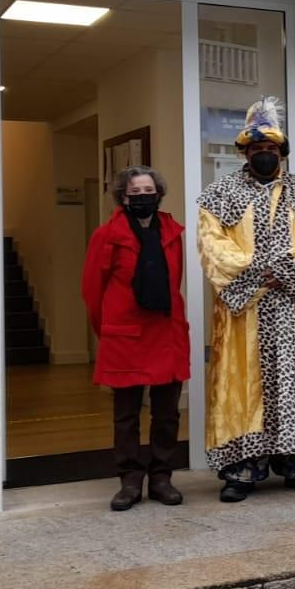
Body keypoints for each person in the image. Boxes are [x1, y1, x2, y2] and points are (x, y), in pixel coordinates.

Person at [196, 96, 295, 503]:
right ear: (244, 152)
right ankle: (242, 469)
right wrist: (260, 272)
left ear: (282, 153)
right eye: (256, 149)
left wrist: (287, 272)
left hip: (294, 310)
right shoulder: (218, 195)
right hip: (246, 311)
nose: (263, 155)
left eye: (270, 150)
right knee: (244, 385)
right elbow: (213, 246)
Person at [80, 166, 190, 511]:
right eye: (135, 193)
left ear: (158, 194)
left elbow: (175, 282)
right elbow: (92, 291)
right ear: (123, 198)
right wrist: (107, 332)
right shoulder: (105, 235)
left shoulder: (172, 232)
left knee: (167, 413)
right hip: (125, 335)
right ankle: (129, 480)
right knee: (125, 415)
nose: (143, 197)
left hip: (166, 333)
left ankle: (161, 477)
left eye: (148, 191)